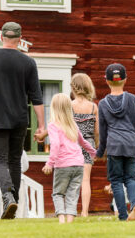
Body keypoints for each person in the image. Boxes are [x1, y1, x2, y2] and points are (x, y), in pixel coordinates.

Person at [0, 22, 45, 219]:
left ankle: (7, 195)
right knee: (14, 160)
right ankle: (12, 202)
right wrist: (41, 126)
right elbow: (37, 97)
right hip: (20, 119)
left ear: (1, 37)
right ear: (20, 40)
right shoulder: (28, 62)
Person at [96, 63, 135, 221]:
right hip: (131, 144)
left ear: (107, 81)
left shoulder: (102, 104)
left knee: (116, 181)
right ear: (125, 80)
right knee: (130, 178)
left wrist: (100, 152)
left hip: (114, 146)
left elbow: (103, 132)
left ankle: (122, 215)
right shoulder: (132, 99)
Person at [41, 93, 97, 224]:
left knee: (58, 193)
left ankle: (61, 220)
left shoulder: (53, 125)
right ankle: (70, 221)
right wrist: (93, 153)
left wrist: (50, 163)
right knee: (73, 194)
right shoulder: (72, 124)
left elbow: (55, 145)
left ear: (53, 109)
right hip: (78, 164)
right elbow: (83, 142)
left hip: (63, 165)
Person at [69, 73, 99, 217]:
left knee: (71, 179)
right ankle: (85, 212)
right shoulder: (93, 107)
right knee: (85, 179)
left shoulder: (70, 106)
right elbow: (97, 131)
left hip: (72, 144)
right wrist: (96, 147)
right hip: (88, 143)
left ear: (73, 88)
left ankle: (70, 210)